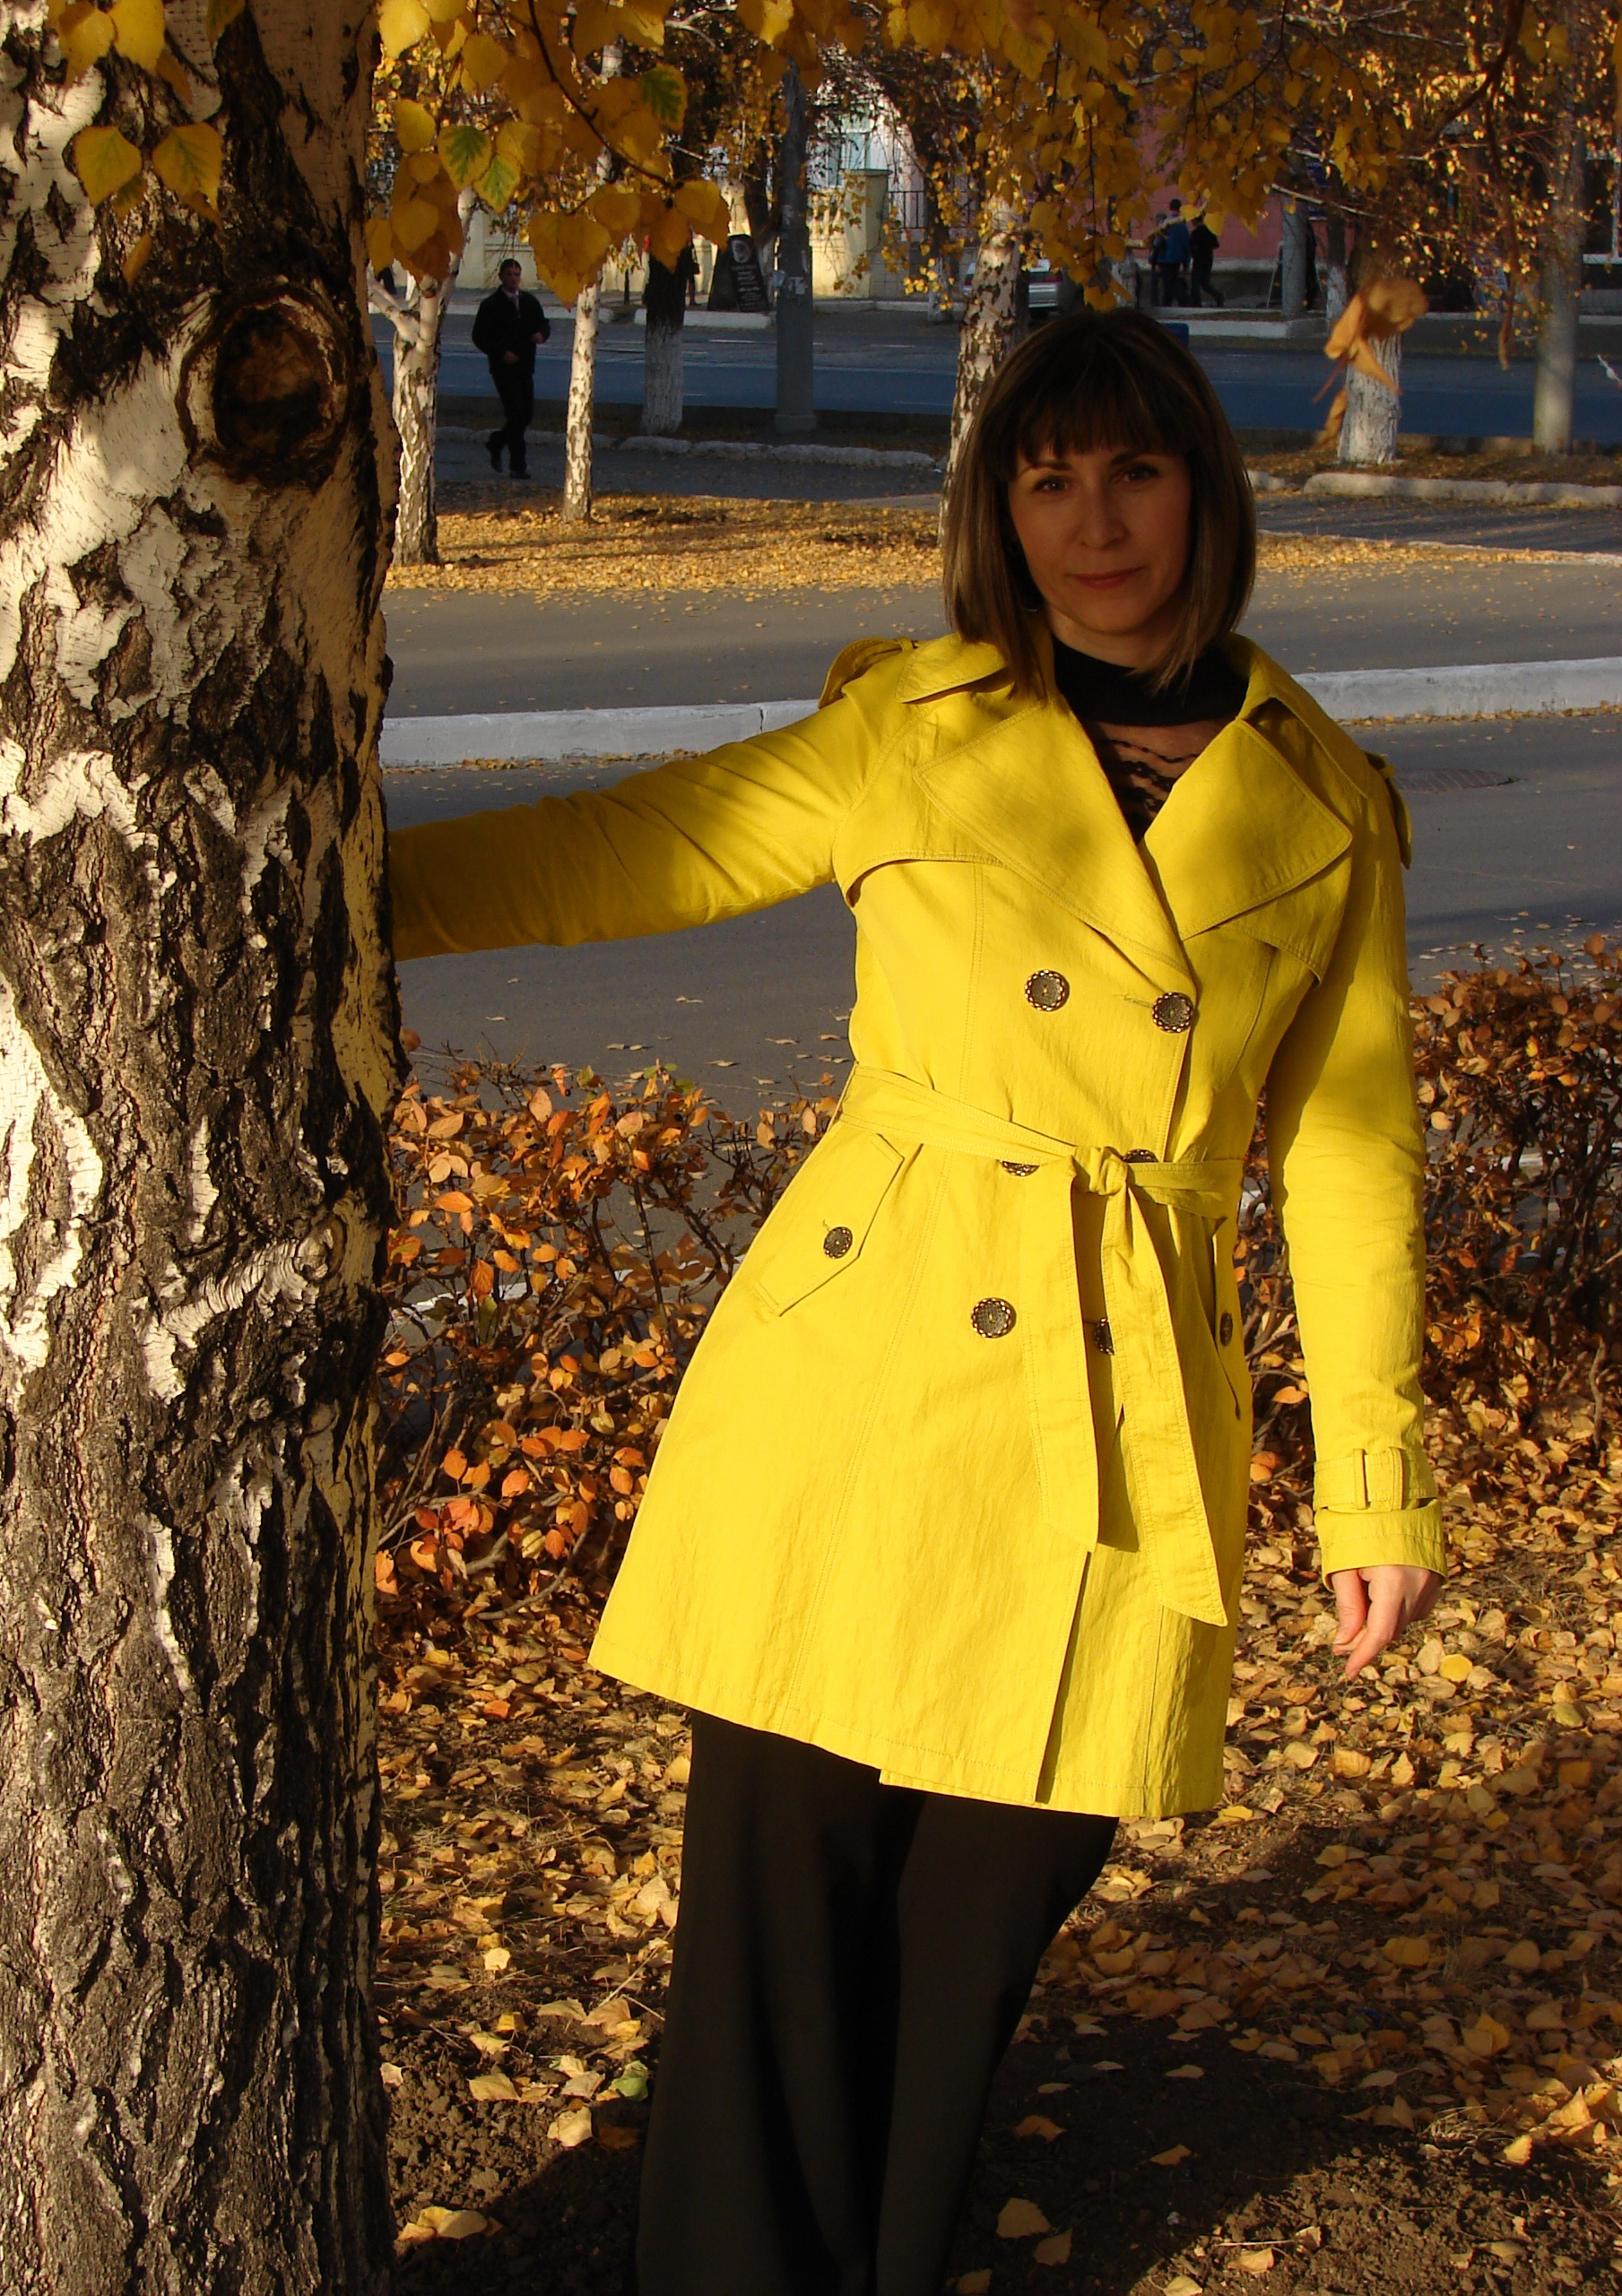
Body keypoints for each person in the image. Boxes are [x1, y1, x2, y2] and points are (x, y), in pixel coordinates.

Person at [387, 311, 1444, 2296]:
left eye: (1133, 472)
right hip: (869, 1376)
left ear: (1203, 494)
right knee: (779, 1927)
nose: (1093, 522)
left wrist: (1372, 1487)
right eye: (1047, 480)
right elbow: (650, 844)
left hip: (1121, 1415)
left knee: (977, 1930)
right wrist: (342, 887)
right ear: (997, 512)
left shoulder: (1324, 800)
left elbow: (1350, 1154)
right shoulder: (917, 729)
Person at [470, 256, 550, 477]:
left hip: (525, 366)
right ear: (501, 277)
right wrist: (501, 353)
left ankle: (496, 441)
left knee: (526, 415)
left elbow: (543, 324)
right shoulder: (491, 305)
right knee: (516, 414)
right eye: (509, 275)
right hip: (503, 368)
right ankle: (518, 466)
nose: (513, 279)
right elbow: (480, 336)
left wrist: (541, 334)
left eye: (517, 275)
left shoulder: (529, 302)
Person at [1158, 200, 1192, 305]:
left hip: (1165, 257)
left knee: (1168, 283)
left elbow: (1159, 241)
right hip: (1178, 257)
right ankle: (1166, 303)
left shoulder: (1165, 223)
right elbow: (1186, 243)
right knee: (1171, 280)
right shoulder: (1183, 225)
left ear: (1170, 207)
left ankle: (1185, 299)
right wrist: (1187, 261)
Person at [1189, 214, 1223, 305]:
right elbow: (1216, 245)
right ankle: (1218, 296)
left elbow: (1191, 247)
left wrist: (1195, 254)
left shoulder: (1195, 233)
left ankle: (1196, 302)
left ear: (1195, 221)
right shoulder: (1210, 230)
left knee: (1195, 282)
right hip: (1208, 259)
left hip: (1198, 260)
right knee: (1205, 283)